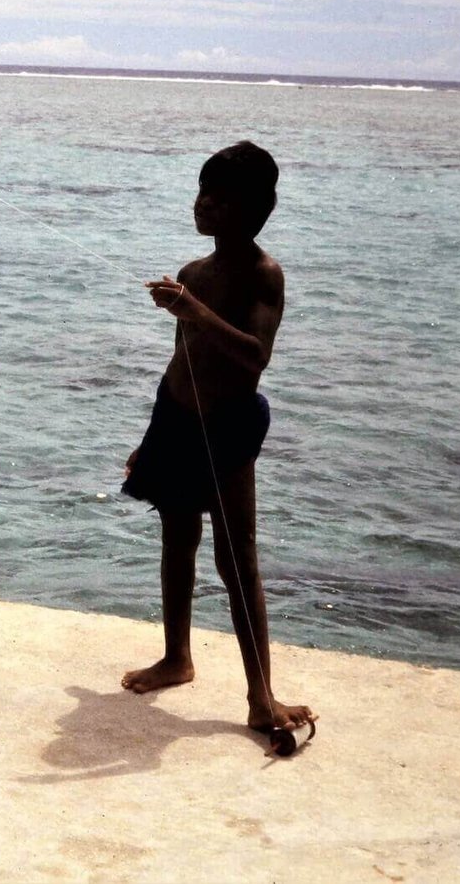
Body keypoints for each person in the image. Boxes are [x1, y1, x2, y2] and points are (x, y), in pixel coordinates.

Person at [119, 141, 316, 739]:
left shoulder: (263, 273)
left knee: (237, 560)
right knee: (177, 539)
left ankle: (262, 696)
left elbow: (256, 355)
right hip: (175, 416)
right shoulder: (192, 273)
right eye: (201, 191)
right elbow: (182, 357)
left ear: (252, 209)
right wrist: (149, 439)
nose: (202, 203)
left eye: (218, 197)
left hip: (228, 424)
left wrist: (195, 312)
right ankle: (177, 658)